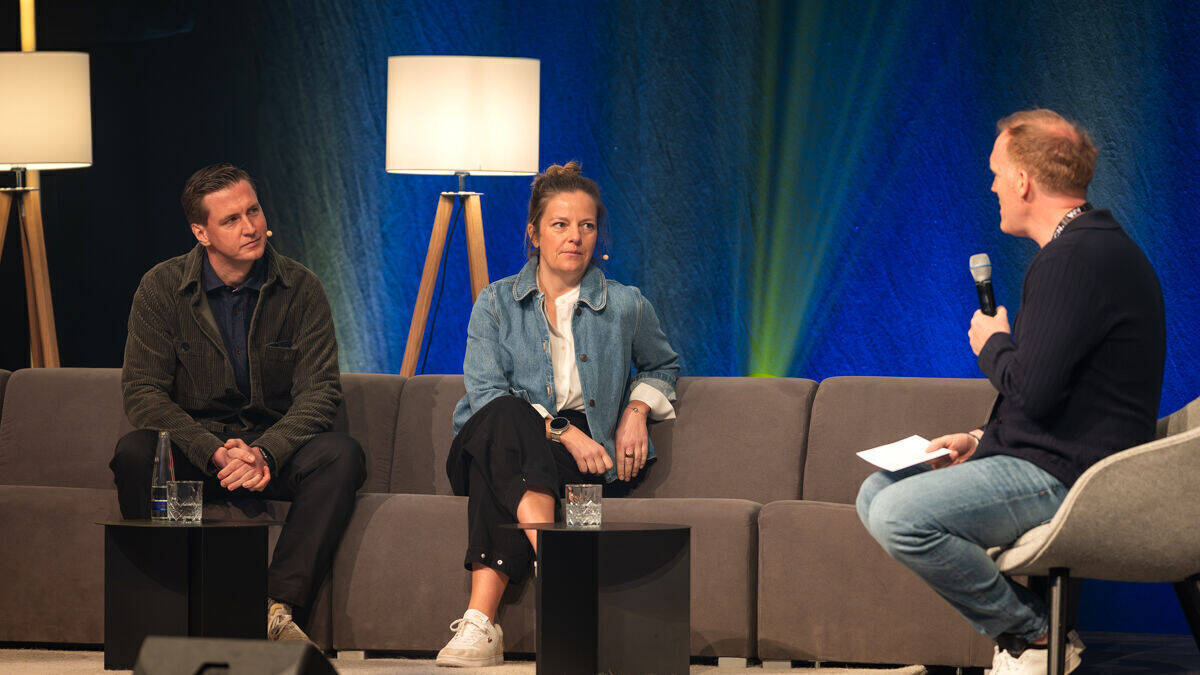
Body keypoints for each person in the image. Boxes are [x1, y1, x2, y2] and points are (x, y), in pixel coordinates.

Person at [856, 109, 1165, 675]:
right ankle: (1030, 633)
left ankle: (1035, 634)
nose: (992, 185)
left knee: (899, 514)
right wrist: (980, 439)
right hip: (1050, 454)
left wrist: (992, 344)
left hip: (1073, 475)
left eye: (997, 172)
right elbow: (1057, 392)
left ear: (1024, 180)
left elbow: (1033, 388)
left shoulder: (1074, 259)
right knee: (876, 492)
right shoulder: (1088, 249)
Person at [435, 161, 681, 667]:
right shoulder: (496, 302)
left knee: (502, 473)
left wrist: (636, 408)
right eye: (560, 225)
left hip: (580, 459)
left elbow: (663, 364)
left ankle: (481, 623)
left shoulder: (627, 305)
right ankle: (562, 570)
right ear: (534, 233)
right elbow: (484, 395)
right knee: (506, 420)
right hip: (501, 434)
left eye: (586, 226)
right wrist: (563, 431)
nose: (575, 238)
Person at [110, 163, 366, 645]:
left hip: (272, 452)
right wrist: (212, 450)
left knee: (342, 455)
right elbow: (142, 393)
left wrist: (265, 452)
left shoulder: (301, 288)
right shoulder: (161, 288)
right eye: (231, 220)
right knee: (135, 453)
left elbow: (319, 393)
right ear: (200, 232)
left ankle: (273, 607)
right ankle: (173, 604)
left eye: (253, 211)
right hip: (199, 449)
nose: (250, 227)